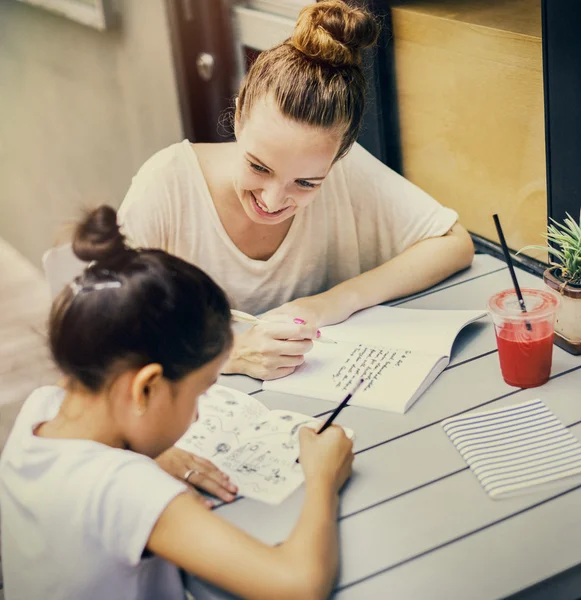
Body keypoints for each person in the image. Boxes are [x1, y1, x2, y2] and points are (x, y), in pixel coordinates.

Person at [0, 206, 354, 600]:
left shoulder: (41, 406)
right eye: (200, 392)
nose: (199, 413)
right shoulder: (125, 488)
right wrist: (324, 477)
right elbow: (298, 586)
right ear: (146, 388)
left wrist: (148, 453)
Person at [118, 0, 474, 383]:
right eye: (258, 167)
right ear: (238, 115)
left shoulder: (345, 171)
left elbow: (453, 242)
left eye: (306, 183)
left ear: (339, 157)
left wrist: (331, 303)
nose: (272, 201)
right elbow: (103, 333)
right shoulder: (167, 186)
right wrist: (231, 353)